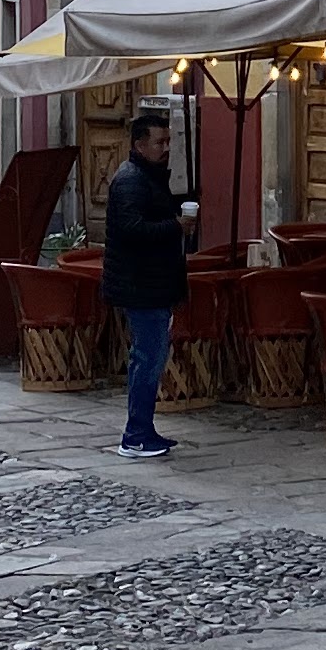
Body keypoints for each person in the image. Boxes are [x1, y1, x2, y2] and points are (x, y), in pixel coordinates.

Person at [101, 105, 193, 460]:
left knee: (150, 357)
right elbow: (131, 230)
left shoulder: (147, 177)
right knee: (148, 358)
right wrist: (175, 226)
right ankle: (136, 434)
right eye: (159, 142)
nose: (166, 147)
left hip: (151, 282)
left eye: (168, 140)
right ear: (140, 145)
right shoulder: (130, 181)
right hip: (141, 285)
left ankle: (143, 429)